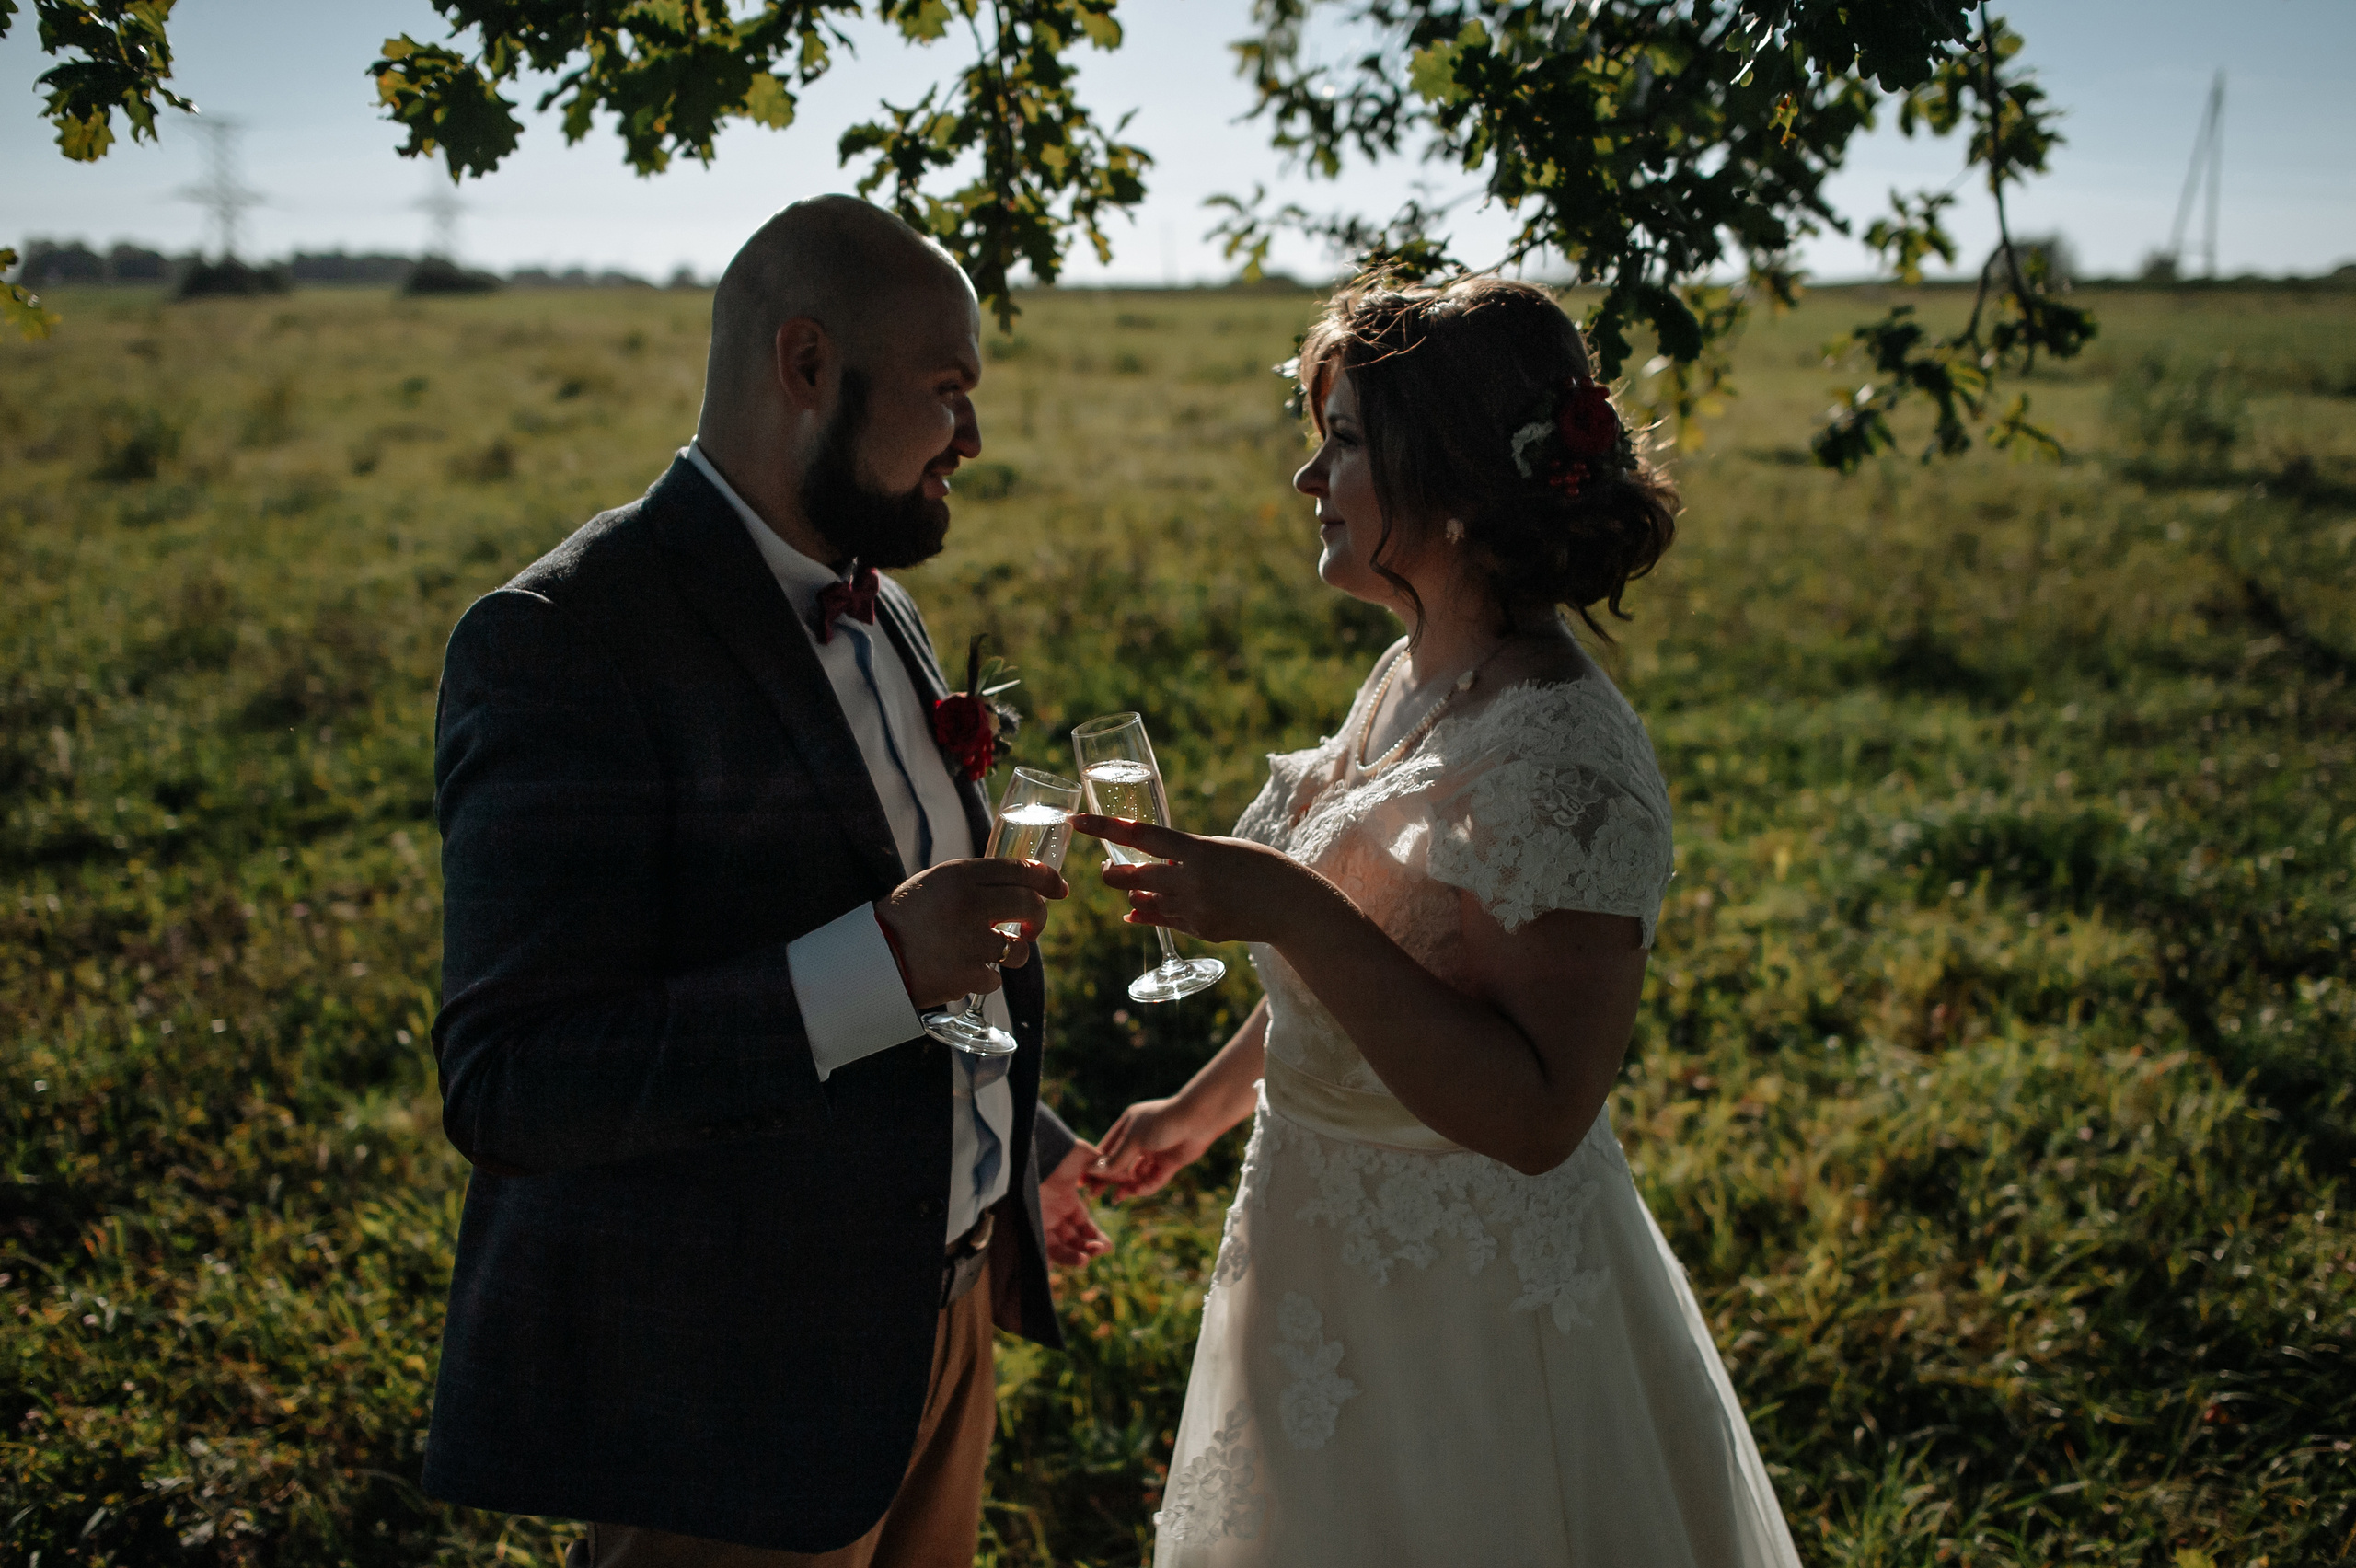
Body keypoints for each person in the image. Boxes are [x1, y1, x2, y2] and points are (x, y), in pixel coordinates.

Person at [422, 195, 1110, 1567]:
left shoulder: (882, 597)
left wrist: (1011, 1143)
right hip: (738, 1400)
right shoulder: (564, 640)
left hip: (946, 1328)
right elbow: (514, 1079)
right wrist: (887, 963)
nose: (971, 439)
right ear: (807, 368)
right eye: (947, 391)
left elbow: (882, 931)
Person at [1078, 273, 1804, 1566]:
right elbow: (1382, 968)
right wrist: (1199, 1109)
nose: (1311, 478)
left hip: (1470, 1321)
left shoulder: (1562, 761)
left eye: (1345, 441)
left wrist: (1283, 899)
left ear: (1458, 478)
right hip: (1320, 1261)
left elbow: (1536, 1115)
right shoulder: (1416, 670)